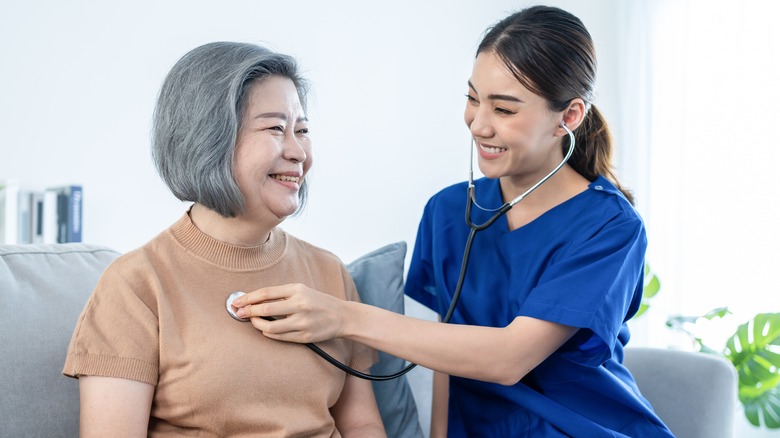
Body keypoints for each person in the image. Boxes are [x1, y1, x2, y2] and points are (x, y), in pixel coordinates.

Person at [231, 6, 674, 438]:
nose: (478, 124)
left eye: (503, 110)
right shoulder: (447, 213)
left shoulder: (610, 227)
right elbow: (441, 354)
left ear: (569, 117)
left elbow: (507, 359)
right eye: (472, 99)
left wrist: (341, 316)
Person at [62, 41, 385, 437]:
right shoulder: (135, 286)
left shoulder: (328, 271)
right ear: (208, 138)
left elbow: (362, 424)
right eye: (275, 129)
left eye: (302, 130)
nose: (298, 151)